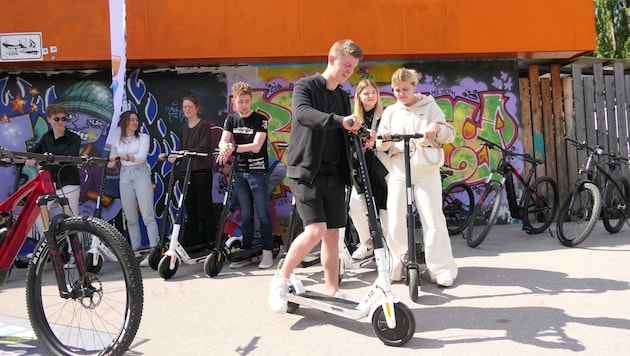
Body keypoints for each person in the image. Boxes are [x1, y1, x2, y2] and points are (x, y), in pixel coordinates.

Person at [268, 39, 365, 314]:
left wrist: (361, 133)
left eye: (353, 67)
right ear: (331, 58)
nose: (349, 71)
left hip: (334, 174)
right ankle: (280, 279)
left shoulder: (342, 96)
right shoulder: (305, 86)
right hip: (305, 171)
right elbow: (303, 115)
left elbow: (344, 129)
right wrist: (339, 120)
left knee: (333, 235)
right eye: (346, 65)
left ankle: (332, 289)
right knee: (316, 230)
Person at [376, 67, 458, 287]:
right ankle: (397, 266)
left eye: (405, 88)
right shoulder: (391, 112)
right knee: (395, 220)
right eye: (396, 90)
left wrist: (436, 128)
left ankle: (440, 268)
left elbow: (450, 134)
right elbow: (379, 145)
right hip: (399, 167)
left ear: (414, 86)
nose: (401, 93)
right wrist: (383, 139)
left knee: (433, 218)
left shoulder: (429, 106)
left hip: (425, 168)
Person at [217, 82, 274, 269]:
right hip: (240, 172)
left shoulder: (261, 120)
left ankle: (267, 252)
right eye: (240, 101)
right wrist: (224, 147)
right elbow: (223, 140)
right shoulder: (231, 120)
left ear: (251, 100)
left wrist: (233, 148)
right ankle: (247, 253)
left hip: (258, 171)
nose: (244, 105)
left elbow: (257, 146)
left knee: (262, 214)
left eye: (247, 101)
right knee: (247, 215)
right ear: (234, 101)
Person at [27, 103, 81, 268]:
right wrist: (30, 158)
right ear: (49, 119)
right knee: (37, 214)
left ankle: (75, 256)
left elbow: (68, 157)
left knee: (72, 219)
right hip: (51, 184)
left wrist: (46, 158)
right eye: (57, 118)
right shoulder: (46, 138)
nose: (60, 122)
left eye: (63, 119)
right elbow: (34, 152)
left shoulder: (74, 138)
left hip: (69, 183)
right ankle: (52, 246)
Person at [108, 110, 160, 266]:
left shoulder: (143, 137)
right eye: (132, 120)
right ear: (125, 122)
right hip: (124, 175)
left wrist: (123, 156)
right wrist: (109, 157)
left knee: (147, 213)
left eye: (136, 120)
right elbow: (110, 162)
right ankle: (135, 250)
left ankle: (154, 249)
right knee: (130, 216)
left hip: (141, 172)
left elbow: (141, 157)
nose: (135, 123)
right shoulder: (117, 140)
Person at [167, 96, 216, 250]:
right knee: (190, 208)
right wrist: (176, 155)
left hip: (201, 172)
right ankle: (195, 244)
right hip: (186, 172)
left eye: (190, 106)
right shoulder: (183, 128)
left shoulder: (203, 126)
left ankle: (210, 242)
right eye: (185, 107)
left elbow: (203, 148)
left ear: (197, 108)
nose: (187, 109)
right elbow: (182, 148)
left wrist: (183, 153)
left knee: (205, 207)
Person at [348, 79, 389, 260]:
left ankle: (392, 249)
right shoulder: (353, 119)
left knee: (387, 210)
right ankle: (367, 243)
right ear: (359, 97)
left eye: (373, 92)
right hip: (361, 168)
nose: (370, 96)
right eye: (366, 93)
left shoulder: (387, 114)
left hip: (383, 168)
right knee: (355, 205)